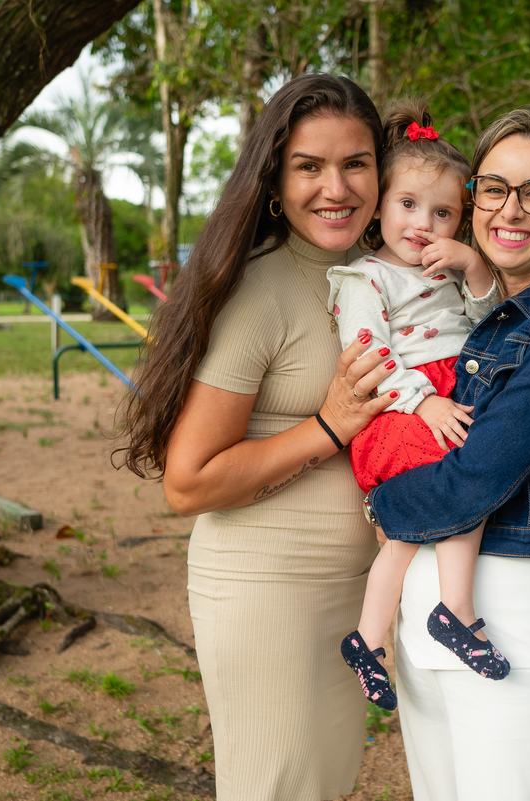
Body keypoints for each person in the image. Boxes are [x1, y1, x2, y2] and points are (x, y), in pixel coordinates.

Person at [116, 74, 397, 801]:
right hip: (270, 593)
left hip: (353, 594)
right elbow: (188, 481)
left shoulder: (374, 278)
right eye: (309, 166)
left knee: (324, 782)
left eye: (355, 163)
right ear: (275, 179)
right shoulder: (260, 290)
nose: (334, 187)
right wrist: (328, 426)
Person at [364, 106, 530, 801]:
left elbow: (473, 477)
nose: (510, 209)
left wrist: (376, 501)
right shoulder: (469, 316)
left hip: (511, 615)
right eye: (494, 188)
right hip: (426, 614)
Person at [327, 102, 503, 711]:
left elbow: (488, 325)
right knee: (471, 478)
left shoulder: (450, 270)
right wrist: (424, 402)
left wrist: (475, 266)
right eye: (407, 205)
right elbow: (368, 350)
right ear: (378, 206)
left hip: (450, 396)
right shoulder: (365, 277)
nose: (423, 223)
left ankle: (368, 640)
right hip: (400, 409)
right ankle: (454, 613)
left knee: (408, 535)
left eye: (443, 212)